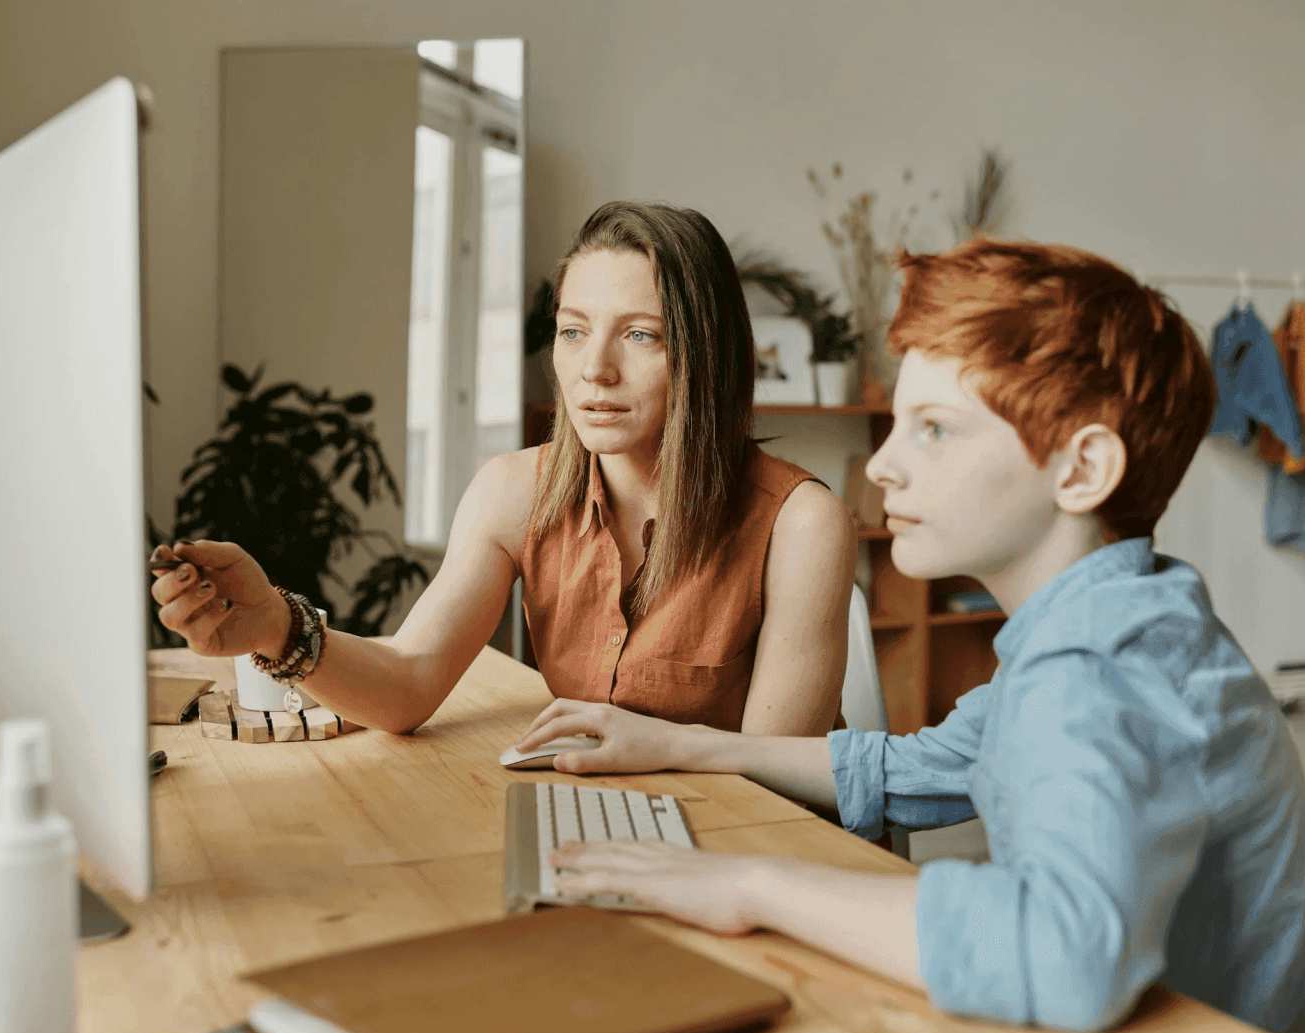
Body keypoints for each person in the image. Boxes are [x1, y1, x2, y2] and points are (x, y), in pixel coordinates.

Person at [523, 237, 1305, 1033]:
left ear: (1081, 471)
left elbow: (1065, 958)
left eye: (934, 431)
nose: (884, 469)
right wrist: (675, 742)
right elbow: (917, 765)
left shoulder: (1096, 669)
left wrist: (752, 886)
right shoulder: (1121, 617)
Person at [150, 201, 856, 738]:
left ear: (708, 355)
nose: (594, 369)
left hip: (747, 855)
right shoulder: (514, 491)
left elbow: (774, 784)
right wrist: (276, 625)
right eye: (573, 330)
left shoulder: (802, 524)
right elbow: (408, 682)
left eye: (640, 335)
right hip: (606, 829)